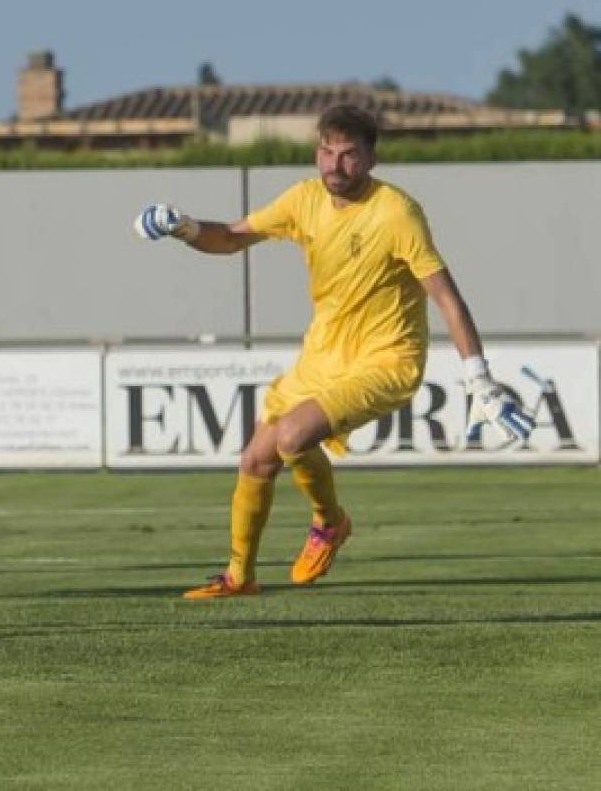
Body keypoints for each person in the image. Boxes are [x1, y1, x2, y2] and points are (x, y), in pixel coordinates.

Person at [134, 104, 534, 598]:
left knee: (293, 435)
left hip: (388, 359)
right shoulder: (304, 199)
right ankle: (240, 577)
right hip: (323, 355)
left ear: (370, 159)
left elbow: (447, 297)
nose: (333, 165)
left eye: (348, 155)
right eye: (326, 151)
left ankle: (330, 523)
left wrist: (479, 378)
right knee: (256, 460)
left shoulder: (397, 213)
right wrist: (185, 228)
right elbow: (232, 238)